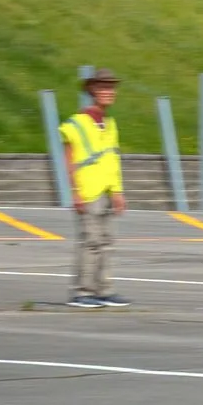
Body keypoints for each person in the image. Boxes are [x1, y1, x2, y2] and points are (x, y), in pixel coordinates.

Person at [61, 70, 129, 308]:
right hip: (88, 190)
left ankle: (104, 290)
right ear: (92, 91)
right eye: (103, 87)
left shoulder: (109, 124)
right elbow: (68, 158)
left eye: (111, 88)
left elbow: (113, 158)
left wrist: (118, 192)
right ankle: (82, 292)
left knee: (107, 242)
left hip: (107, 190)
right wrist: (75, 191)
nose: (109, 92)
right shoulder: (76, 123)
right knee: (89, 242)